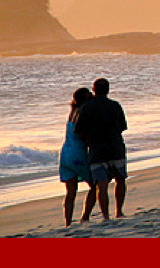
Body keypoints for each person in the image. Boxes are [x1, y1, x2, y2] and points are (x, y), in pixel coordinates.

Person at [74, 78, 128, 221]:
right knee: (120, 180)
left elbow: (79, 131)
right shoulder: (115, 105)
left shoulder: (86, 108)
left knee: (101, 185)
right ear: (108, 90)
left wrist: (88, 141)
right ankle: (119, 211)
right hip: (116, 147)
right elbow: (122, 127)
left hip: (97, 150)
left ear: (94, 89)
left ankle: (106, 215)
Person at [58, 87, 97, 227]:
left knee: (70, 192)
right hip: (78, 154)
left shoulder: (72, 112)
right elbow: (81, 134)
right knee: (95, 186)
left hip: (65, 153)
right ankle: (85, 217)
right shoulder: (82, 113)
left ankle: (68, 222)